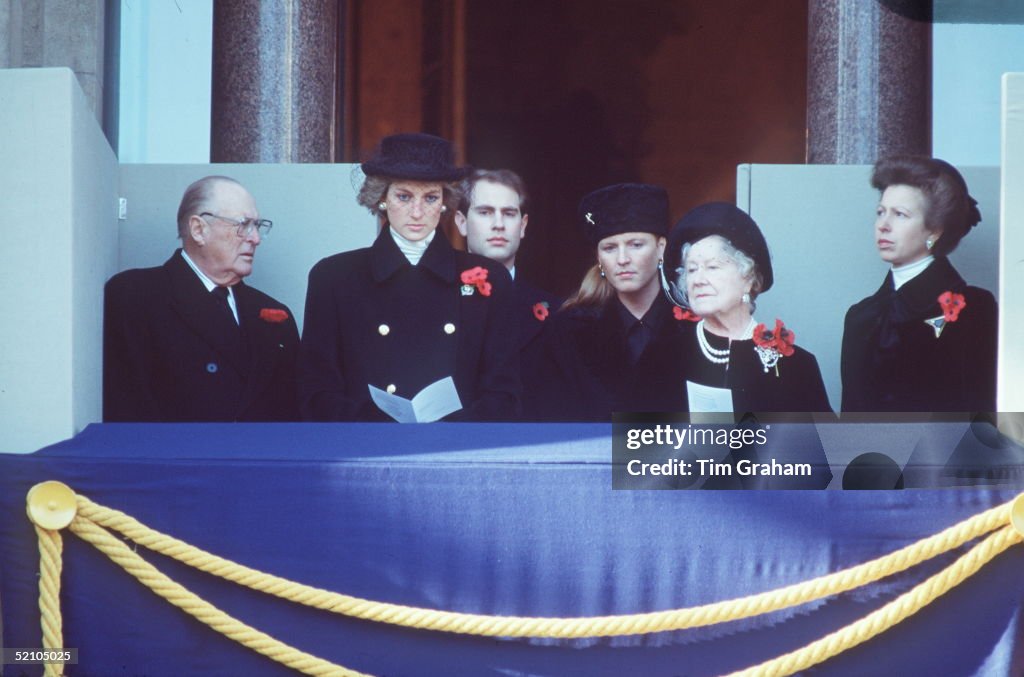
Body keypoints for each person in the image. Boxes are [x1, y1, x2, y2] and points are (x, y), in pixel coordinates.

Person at [298, 133, 520, 421]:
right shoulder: (334, 277)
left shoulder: (491, 277)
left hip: (458, 450)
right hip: (366, 449)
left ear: (444, 202)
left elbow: (504, 394)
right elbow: (317, 390)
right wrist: (374, 424)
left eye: (430, 198)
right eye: (404, 196)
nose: (417, 212)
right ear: (381, 199)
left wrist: (451, 429)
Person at [103, 175, 299, 422]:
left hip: (259, 458)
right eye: (243, 225)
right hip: (175, 458)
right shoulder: (135, 296)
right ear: (198, 230)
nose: (255, 239)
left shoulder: (273, 313)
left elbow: (291, 415)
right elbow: (127, 410)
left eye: (257, 226)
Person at [841, 156, 996, 413]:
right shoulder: (861, 316)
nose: (883, 226)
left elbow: (983, 420)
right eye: (881, 212)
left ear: (934, 230)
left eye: (900, 215)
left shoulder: (974, 308)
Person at [525, 183, 688, 421]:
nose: (623, 259)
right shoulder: (567, 331)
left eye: (636, 244)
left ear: (661, 248)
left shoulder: (694, 327)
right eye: (610, 248)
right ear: (599, 259)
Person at [666, 202, 831, 414]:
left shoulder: (796, 366)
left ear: (748, 278)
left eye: (713, 267)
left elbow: (819, 446)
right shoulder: (665, 352)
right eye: (691, 269)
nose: (698, 280)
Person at [454, 168, 560, 353]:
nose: (499, 224)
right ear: (462, 223)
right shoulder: (437, 299)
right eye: (485, 212)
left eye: (509, 214)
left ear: (523, 226)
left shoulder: (557, 314)